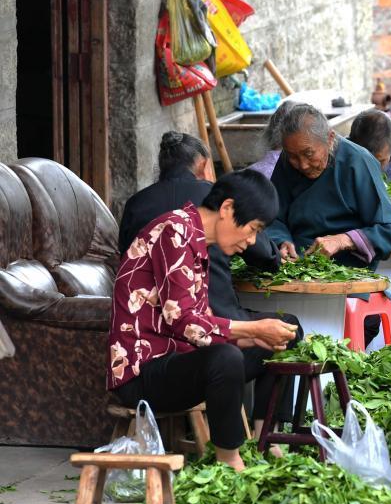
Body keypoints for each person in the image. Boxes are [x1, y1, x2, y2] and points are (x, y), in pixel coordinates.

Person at [109, 171, 298, 471]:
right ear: (227, 209)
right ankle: (229, 462)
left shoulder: (197, 240)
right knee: (225, 358)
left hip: (181, 359)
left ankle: (265, 439)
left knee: (287, 329)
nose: (251, 241)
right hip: (144, 373)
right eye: (252, 229)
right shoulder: (174, 231)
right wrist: (248, 330)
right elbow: (182, 321)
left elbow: (201, 321)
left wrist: (253, 337)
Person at [266, 103, 391, 266]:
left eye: (308, 154)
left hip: (348, 272)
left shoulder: (358, 161)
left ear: (330, 139)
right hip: (296, 265)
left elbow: (390, 230)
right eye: (293, 156)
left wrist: (343, 240)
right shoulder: (287, 161)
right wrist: (282, 241)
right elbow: (272, 216)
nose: (302, 164)